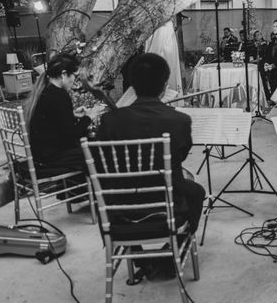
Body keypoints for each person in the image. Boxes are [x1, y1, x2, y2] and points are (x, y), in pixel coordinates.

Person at [96, 53, 205, 232]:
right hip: (168, 202)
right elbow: (180, 157)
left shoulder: (110, 121)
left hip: (121, 206)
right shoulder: (180, 120)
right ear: (163, 86)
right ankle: (175, 247)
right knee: (196, 192)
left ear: (132, 86)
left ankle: (133, 249)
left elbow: (101, 164)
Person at [25, 53, 103, 173]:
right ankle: (89, 189)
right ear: (63, 74)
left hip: (40, 155)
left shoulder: (45, 89)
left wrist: (72, 115)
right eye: (74, 76)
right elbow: (71, 137)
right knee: (100, 152)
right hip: (52, 159)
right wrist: (88, 117)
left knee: (90, 148)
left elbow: (51, 120)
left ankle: (72, 189)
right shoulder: (59, 95)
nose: (74, 81)